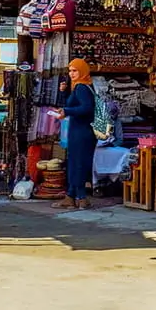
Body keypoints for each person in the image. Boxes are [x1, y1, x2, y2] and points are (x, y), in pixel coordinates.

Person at [52, 58, 97, 210]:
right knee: (75, 163)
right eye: (70, 71)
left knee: (78, 164)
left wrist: (67, 111)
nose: (71, 74)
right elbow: (74, 105)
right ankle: (70, 197)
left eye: (75, 71)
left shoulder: (82, 88)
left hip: (81, 132)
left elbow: (86, 108)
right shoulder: (80, 87)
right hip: (79, 131)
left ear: (82, 71)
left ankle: (82, 198)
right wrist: (64, 94)